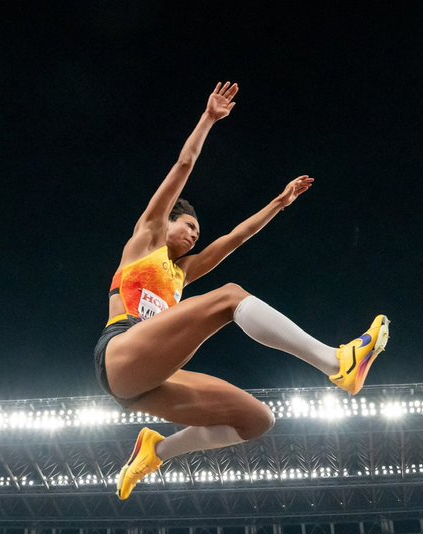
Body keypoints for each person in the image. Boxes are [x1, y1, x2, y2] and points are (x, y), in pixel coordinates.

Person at [94, 82, 389, 500]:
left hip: (150, 378)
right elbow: (183, 165)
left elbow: (235, 237)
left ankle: (155, 450)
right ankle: (336, 362)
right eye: (189, 225)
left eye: (198, 231)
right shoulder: (144, 241)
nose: (195, 235)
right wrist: (208, 120)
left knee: (257, 421)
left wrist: (279, 204)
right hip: (120, 352)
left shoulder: (181, 274)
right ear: (169, 222)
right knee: (230, 296)